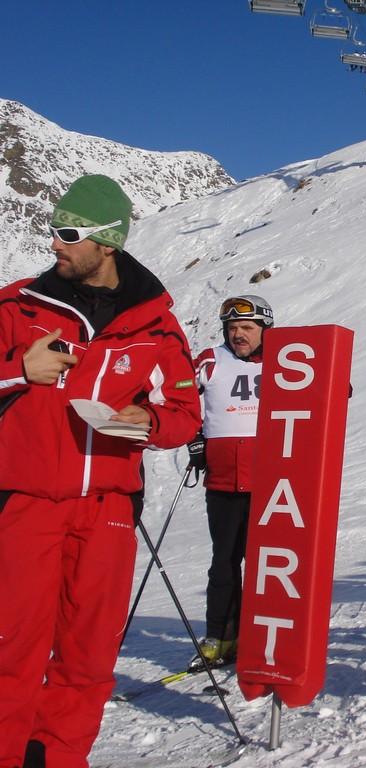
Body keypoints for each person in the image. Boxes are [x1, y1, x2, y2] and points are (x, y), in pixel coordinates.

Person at [0, 175, 201, 768]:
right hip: (27, 501)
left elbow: (186, 413)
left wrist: (148, 420)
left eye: (68, 234)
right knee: (13, 647)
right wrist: (17, 369)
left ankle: (60, 758)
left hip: (109, 508)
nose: (55, 245)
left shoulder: (156, 326)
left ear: (106, 242)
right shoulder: (17, 307)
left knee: (87, 656)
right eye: (53, 232)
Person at [186, 295, 275, 671]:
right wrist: (195, 438)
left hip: (274, 482)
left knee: (266, 563)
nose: (238, 335)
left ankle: (263, 636)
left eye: (247, 328)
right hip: (223, 480)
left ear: (265, 331)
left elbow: (327, 388)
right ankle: (220, 637)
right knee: (224, 562)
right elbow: (180, 399)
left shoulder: (287, 360)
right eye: (233, 328)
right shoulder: (210, 360)